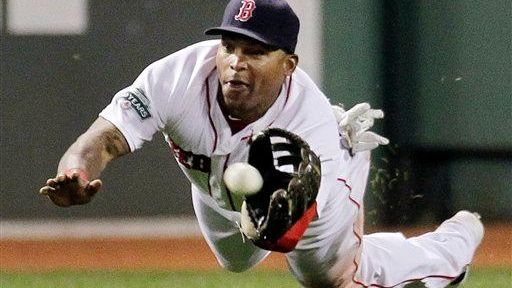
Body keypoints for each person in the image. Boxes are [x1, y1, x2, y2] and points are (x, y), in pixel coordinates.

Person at [39, 0, 483, 287]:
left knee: (330, 278)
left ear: (288, 63)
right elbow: (103, 138)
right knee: (234, 262)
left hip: (318, 184)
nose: (235, 62)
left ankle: (446, 251)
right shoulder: (175, 79)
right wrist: (78, 170)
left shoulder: (308, 126)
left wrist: (266, 221)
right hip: (215, 192)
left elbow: (285, 235)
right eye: (229, 46)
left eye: (254, 52)